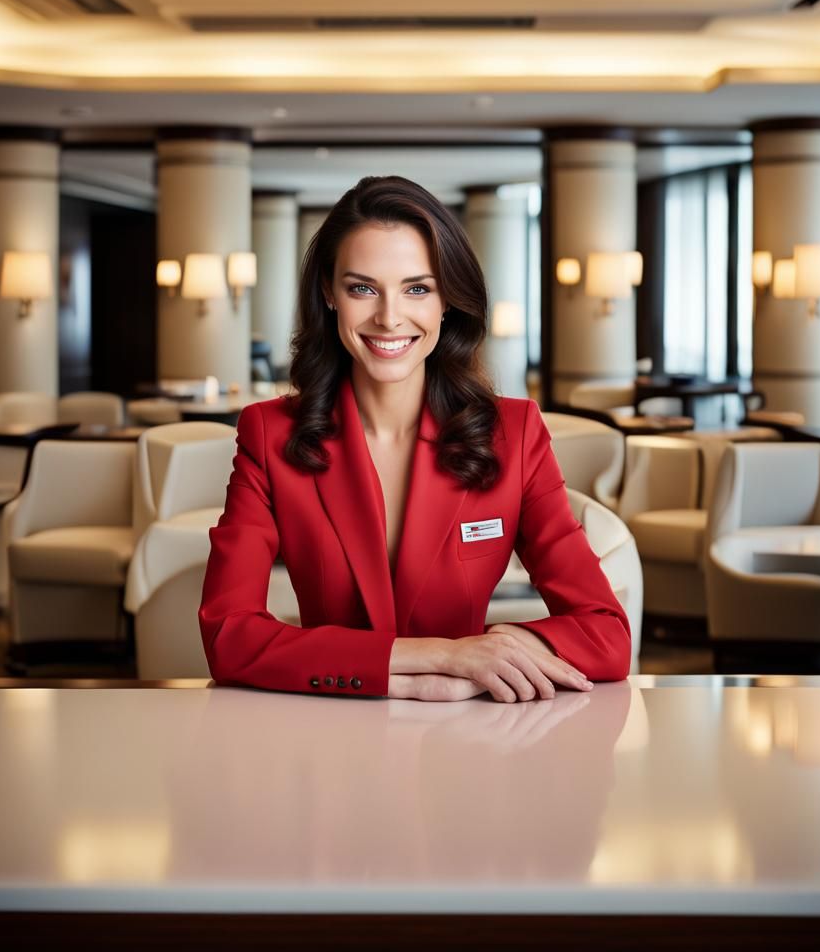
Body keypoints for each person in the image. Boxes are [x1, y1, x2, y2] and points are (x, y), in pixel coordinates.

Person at [198, 175, 630, 701]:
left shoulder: (514, 434)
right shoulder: (270, 434)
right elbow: (228, 635)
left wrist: (500, 647)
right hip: (327, 728)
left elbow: (606, 635)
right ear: (329, 294)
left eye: (417, 289)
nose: (388, 317)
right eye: (362, 288)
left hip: (476, 731)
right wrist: (440, 656)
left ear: (447, 300)